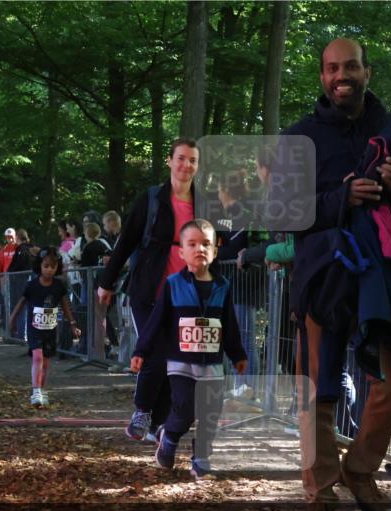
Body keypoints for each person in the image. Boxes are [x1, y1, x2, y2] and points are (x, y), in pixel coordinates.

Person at [271, 38, 391, 511]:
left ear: (367, 71)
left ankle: (360, 470)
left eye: (349, 67)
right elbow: (282, 213)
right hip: (323, 277)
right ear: (322, 77)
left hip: (385, 278)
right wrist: (339, 198)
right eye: (330, 68)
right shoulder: (299, 138)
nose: (339, 75)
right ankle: (318, 495)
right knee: (315, 390)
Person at [97, 138, 200, 442]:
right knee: (154, 353)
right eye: (181, 158)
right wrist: (106, 281)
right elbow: (126, 239)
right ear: (170, 161)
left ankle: (159, 423)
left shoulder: (203, 202)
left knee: (177, 360)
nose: (186, 166)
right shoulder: (153, 198)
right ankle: (142, 411)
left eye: (192, 160)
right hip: (149, 288)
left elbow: (213, 243)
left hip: (187, 294)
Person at [131, 220, 248, 478]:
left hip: (213, 364)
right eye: (192, 244)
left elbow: (229, 323)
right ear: (181, 252)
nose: (199, 249)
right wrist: (141, 350)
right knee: (184, 407)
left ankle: (202, 456)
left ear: (215, 251)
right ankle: (170, 436)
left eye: (206, 244)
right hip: (180, 362)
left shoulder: (223, 286)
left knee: (210, 411)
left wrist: (237, 354)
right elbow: (156, 321)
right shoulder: (173, 284)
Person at [215, 168, 270, 399]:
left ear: (227, 190)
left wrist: (214, 251)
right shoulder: (226, 215)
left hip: (243, 283)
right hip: (232, 284)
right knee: (234, 335)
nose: (217, 193)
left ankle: (249, 387)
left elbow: (235, 247)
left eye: (219, 189)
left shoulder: (240, 213)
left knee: (244, 335)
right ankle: (241, 385)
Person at [8, 248, 79, 407]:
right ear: (40, 266)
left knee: (46, 362)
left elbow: (65, 305)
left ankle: (43, 389)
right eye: (46, 266)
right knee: (37, 357)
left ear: (57, 268)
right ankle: (36, 391)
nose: (49, 270)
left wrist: (72, 324)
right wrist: (12, 319)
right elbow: (21, 303)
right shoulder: (31, 285)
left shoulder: (59, 285)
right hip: (34, 329)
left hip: (50, 329)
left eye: (53, 267)